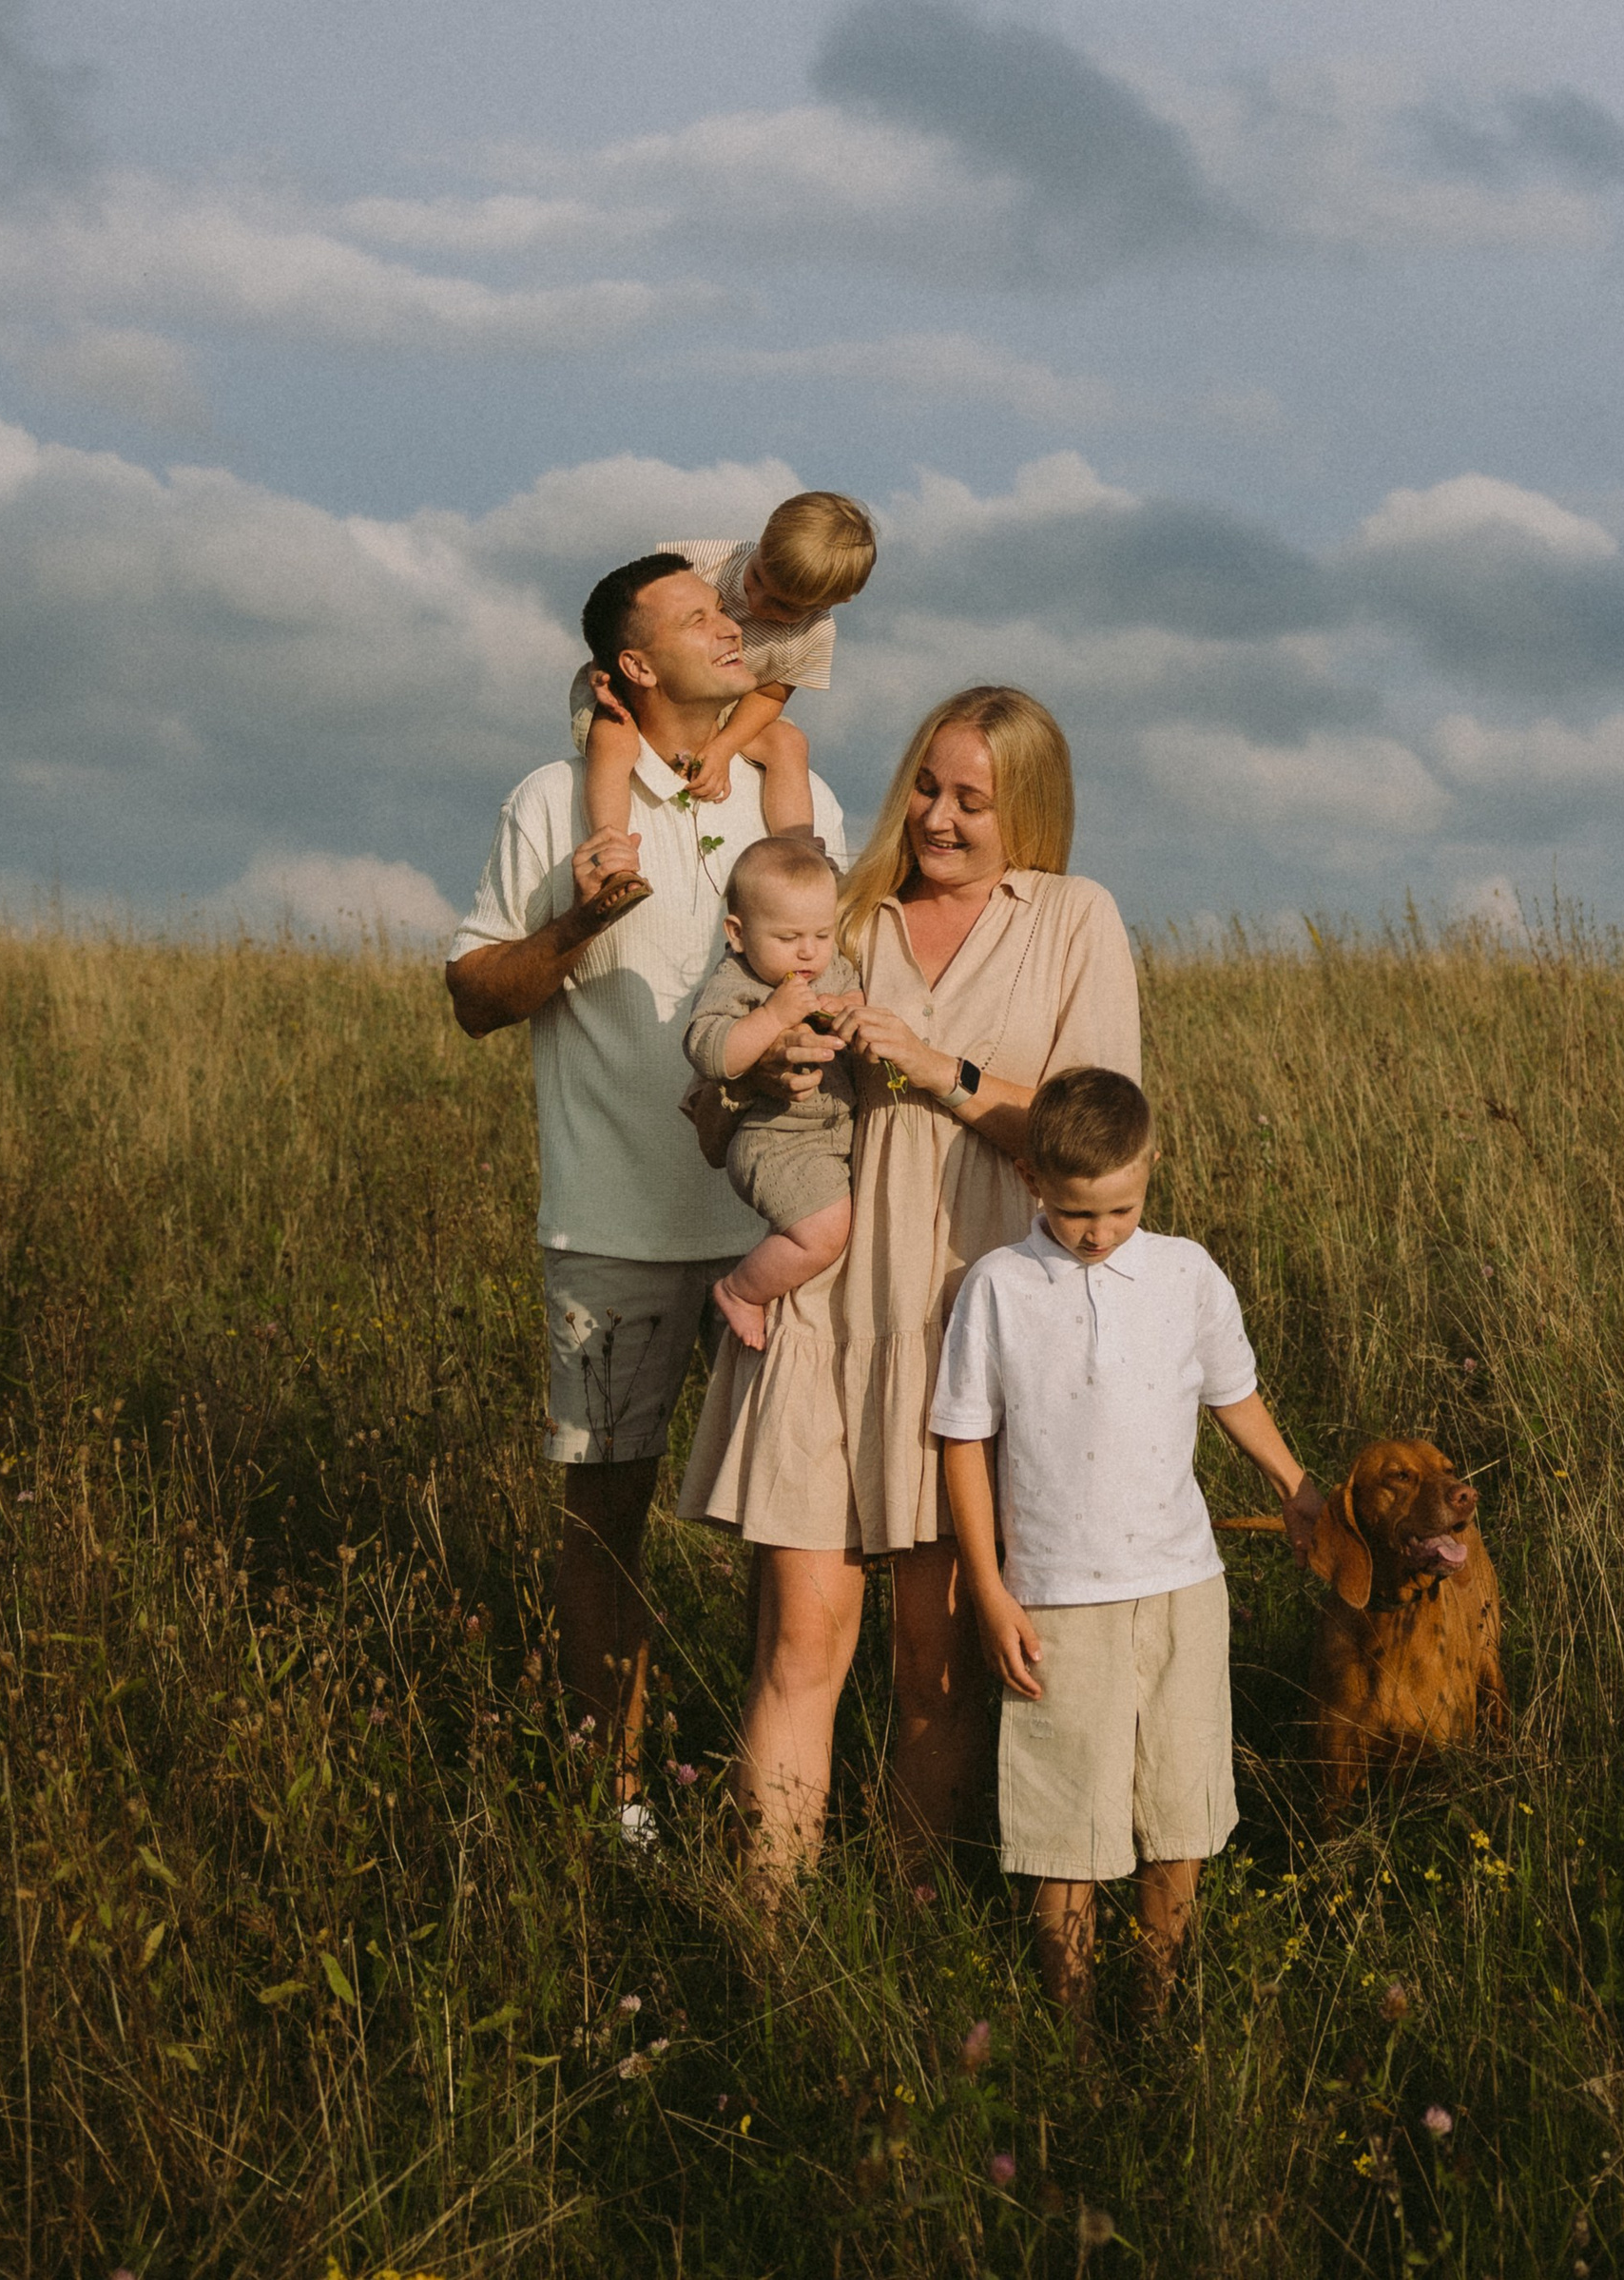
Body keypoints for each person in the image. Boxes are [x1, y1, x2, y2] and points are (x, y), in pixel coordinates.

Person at [677, 684, 1137, 1897]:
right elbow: (707, 1108)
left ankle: (904, 1926)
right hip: (824, 1313)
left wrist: (937, 1068)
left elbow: (1099, 1146)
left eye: (971, 799)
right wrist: (760, 1072)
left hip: (973, 1328)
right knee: (799, 1644)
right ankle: (768, 1941)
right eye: (926, 787)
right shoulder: (843, 916)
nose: (937, 817)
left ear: (1026, 805)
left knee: (935, 1662)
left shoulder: (1074, 919)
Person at [446, 551, 846, 1846]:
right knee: (605, 1521)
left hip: (775, 1231)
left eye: (726, 611)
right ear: (631, 663)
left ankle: (765, 1800)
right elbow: (472, 997)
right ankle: (616, 1807)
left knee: (787, 1533)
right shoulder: (554, 797)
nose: (728, 627)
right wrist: (575, 924)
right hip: (612, 1230)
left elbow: (835, 975)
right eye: (694, 617)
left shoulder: (797, 802)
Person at [933, 1066, 1320, 2019]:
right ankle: (1068, 2031)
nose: (1097, 1232)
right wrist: (988, 1590)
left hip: (1183, 1587)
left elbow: (1232, 1392)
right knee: (1064, 1823)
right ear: (1030, 1178)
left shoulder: (1186, 1274)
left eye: (1119, 1208)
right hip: (1056, 1601)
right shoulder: (998, 1286)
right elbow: (963, 1441)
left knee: (1179, 1809)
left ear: (1150, 1170)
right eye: (1074, 1212)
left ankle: (1158, 2005)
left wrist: (1295, 1484)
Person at [572, 491, 874, 876]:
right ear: (760, 541)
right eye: (757, 577)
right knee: (613, 734)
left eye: (784, 607)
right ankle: (611, 848)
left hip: (736, 705)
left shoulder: (815, 634)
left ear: (837, 601)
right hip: (638, 685)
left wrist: (723, 748)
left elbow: (770, 696)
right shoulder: (713, 560)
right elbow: (630, 611)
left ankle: (797, 851)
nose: (757, 603)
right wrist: (603, 668)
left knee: (789, 742)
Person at [685, 834, 861, 1356]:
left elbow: (856, 991)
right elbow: (710, 1051)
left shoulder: (828, 967)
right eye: (788, 937)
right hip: (775, 1142)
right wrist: (772, 1016)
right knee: (824, 1232)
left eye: (822, 934)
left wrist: (849, 1005)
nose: (808, 951)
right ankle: (740, 1291)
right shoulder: (736, 982)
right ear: (737, 934)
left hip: (829, 1138)